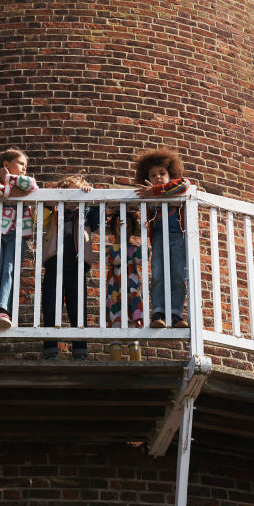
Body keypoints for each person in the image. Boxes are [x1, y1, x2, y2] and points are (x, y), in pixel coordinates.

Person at [39, 173, 100, 361]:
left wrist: (90, 196)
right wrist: (53, 199)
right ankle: (50, 348)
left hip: (77, 265)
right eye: (68, 195)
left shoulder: (86, 213)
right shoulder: (54, 211)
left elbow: (99, 219)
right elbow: (38, 217)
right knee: (50, 305)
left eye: (77, 194)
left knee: (77, 307)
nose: (73, 199)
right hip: (53, 263)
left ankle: (80, 349)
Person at [0, 147, 38, 329]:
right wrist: (11, 192)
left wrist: (9, 180)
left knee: (9, 270)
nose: (24, 168)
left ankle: (4, 309)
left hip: (17, 233)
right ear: (6, 164)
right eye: (20, 164)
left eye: (26, 165)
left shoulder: (21, 181)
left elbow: (32, 185)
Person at [134, 148, 194, 328]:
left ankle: (176, 313)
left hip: (177, 236)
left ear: (170, 174)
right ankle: (158, 312)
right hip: (159, 237)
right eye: (153, 176)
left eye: (162, 173)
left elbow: (185, 184)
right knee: (158, 273)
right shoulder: (150, 197)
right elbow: (148, 215)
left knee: (177, 274)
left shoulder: (174, 187)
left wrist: (156, 191)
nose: (158, 177)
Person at [104, 203, 145, 360]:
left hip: (132, 292)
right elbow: (114, 259)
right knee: (116, 323)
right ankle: (115, 360)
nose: (124, 229)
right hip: (115, 291)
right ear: (114, 229)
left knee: (133, 324)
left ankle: (136, 360)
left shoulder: (135, 249)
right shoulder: (111, 248)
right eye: (120, 225)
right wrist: (120, 241)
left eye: (127, 226)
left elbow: (142, 259)